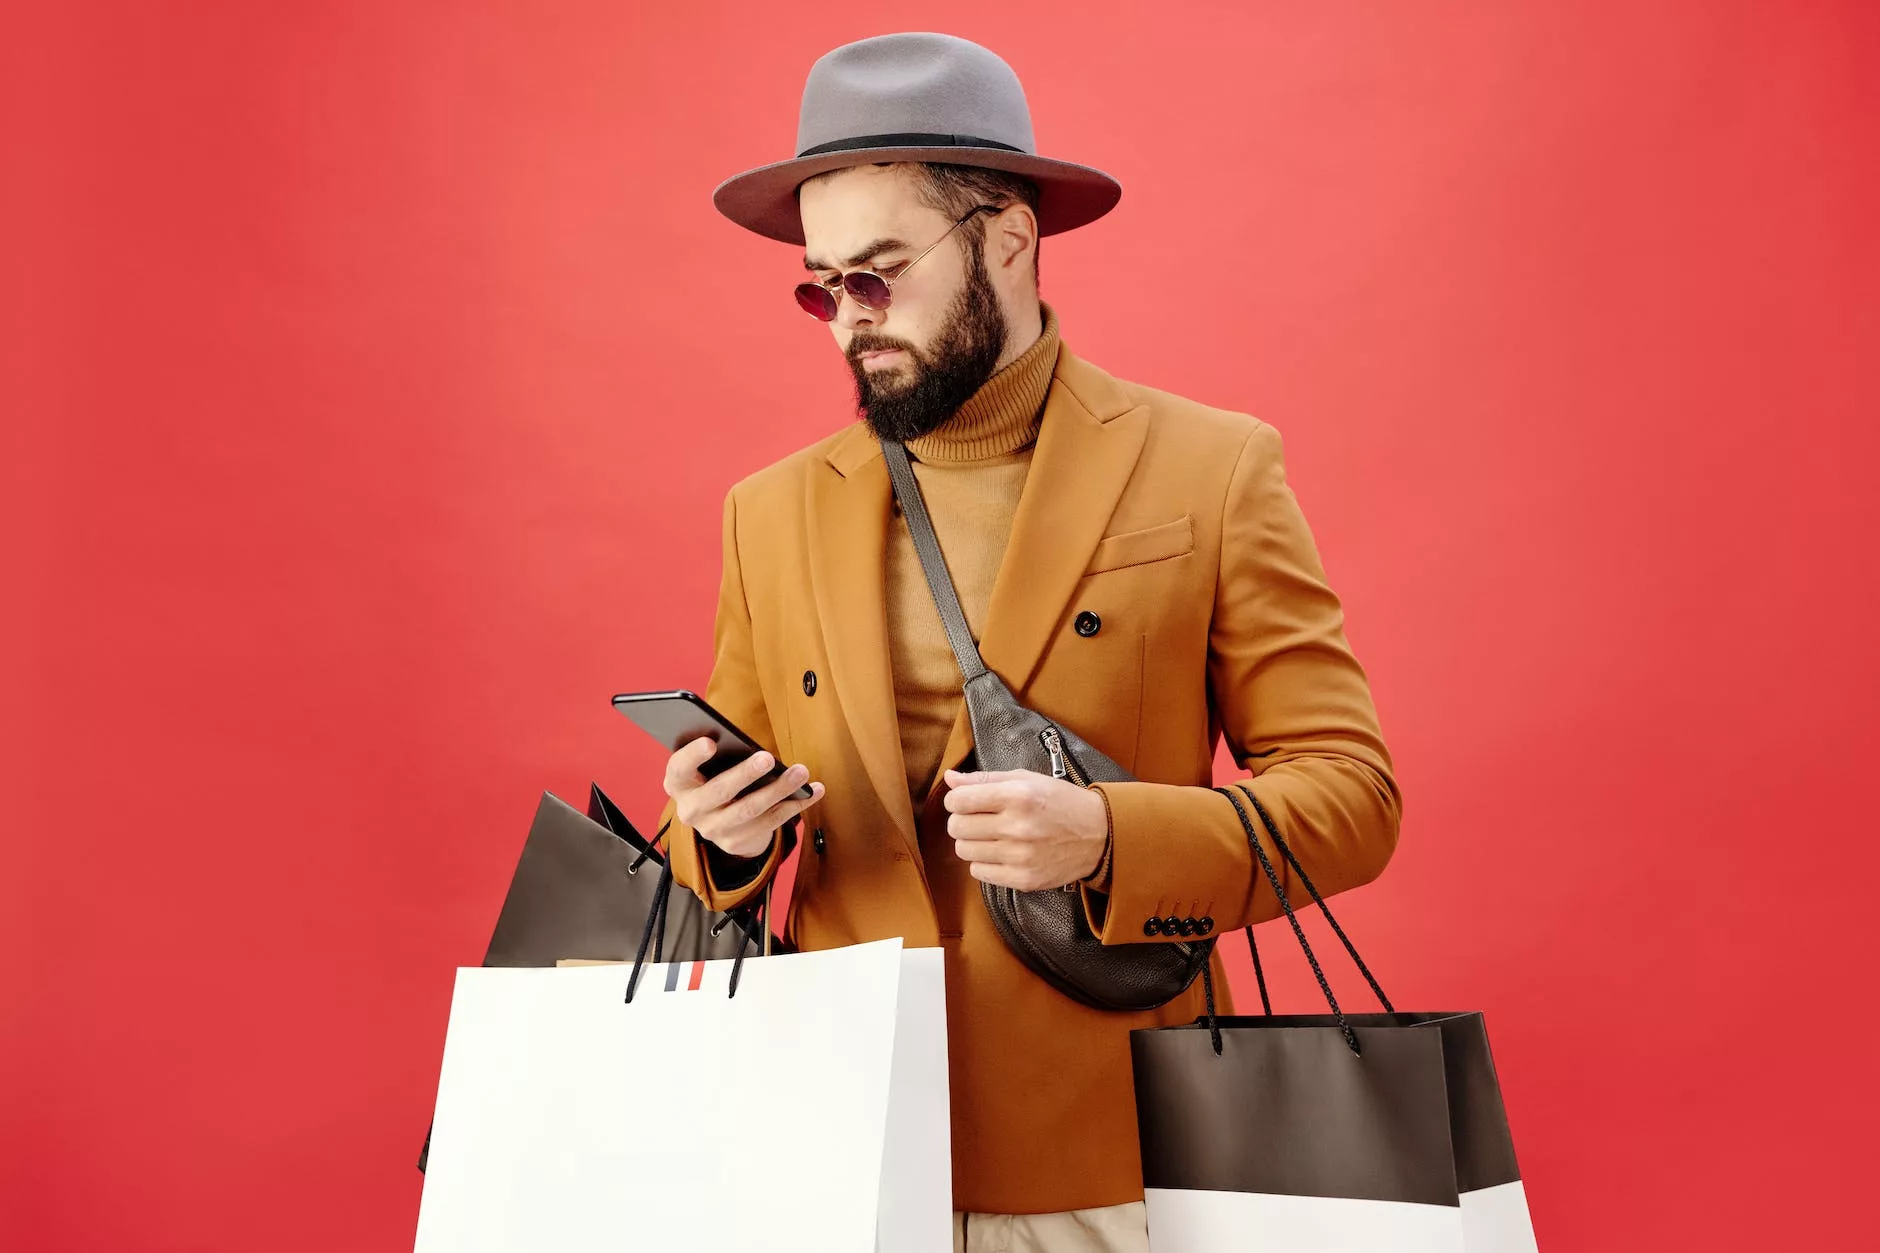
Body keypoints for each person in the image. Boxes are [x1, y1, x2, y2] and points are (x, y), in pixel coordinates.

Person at [656, 31, 1401, 1253]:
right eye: (819, 285)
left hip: (1108, 1152)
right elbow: (726, 834)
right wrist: (720, 836)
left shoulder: (1207, 469)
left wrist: (1110, 836)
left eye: (880, 274)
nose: (847, 321)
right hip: (834, 1150)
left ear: (1005, 236)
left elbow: (1353, 798)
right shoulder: (770, 508)